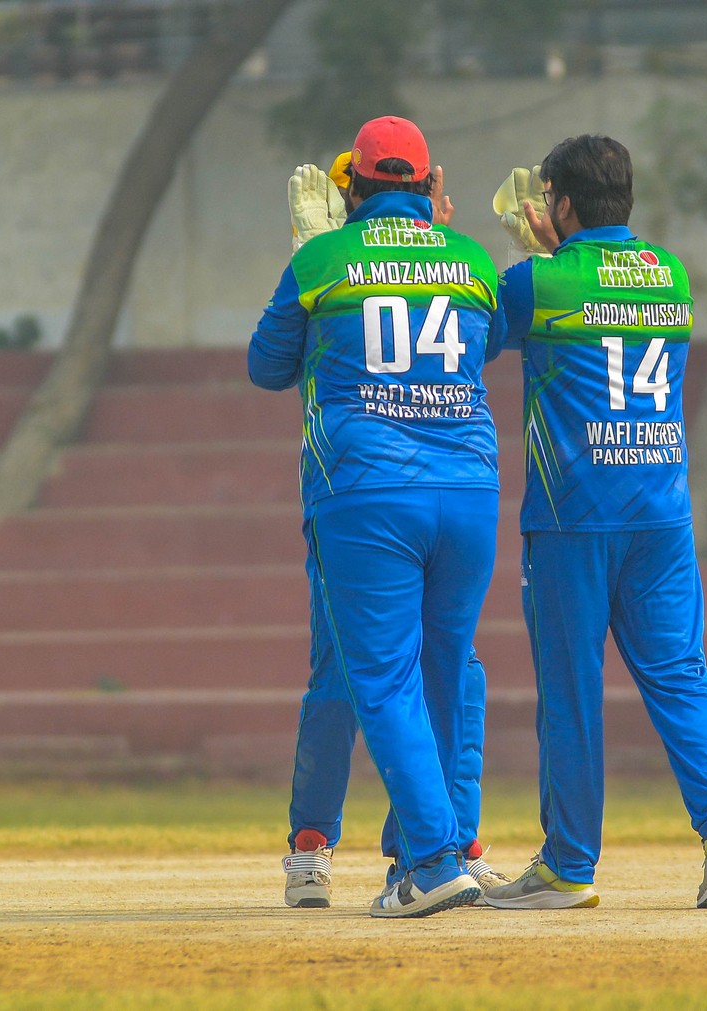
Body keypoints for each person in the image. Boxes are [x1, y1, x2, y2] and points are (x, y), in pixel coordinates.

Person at [478, 135, 707, 910]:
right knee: (681, 673)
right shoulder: (671, 273)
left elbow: (480, 340)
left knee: (571, 691)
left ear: (563, 203)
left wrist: (527, 256)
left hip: (573, 516)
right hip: (662, 512)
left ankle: (569, 865)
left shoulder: (538, 281)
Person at [249, 116, 505, 918]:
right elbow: (486, 345)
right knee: (448, 670)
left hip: (366, 491)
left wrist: (310, 258)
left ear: (353, 187)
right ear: (429, 186)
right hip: (469, 489)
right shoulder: (472, 260)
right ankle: (438, 848)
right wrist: (436, 244)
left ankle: (426, 859)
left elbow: (266, 367)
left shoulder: (322, 260)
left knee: (375, 677)